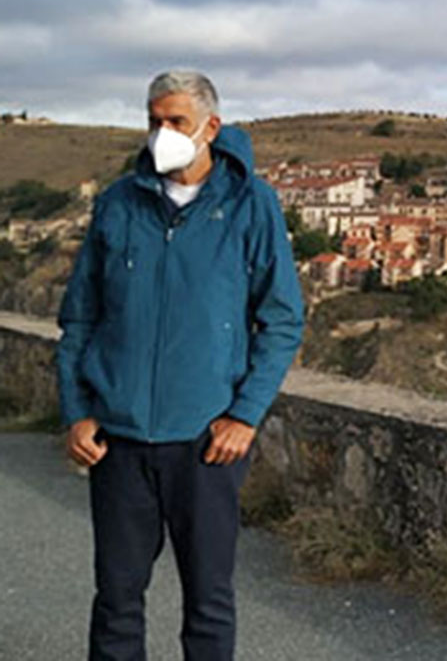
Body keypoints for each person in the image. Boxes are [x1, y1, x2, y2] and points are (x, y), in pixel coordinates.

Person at [55, 70, 305, 660]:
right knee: (116, 600)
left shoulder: (251, 204)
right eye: (154, 121)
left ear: (210, 128)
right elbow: (80, 319)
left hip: (205, 442)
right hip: (118, 441)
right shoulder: (118, 205)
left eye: (176, 122)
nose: (162, 134)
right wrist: (77, 410)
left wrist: (244, 415)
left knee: (209, 603)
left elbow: (282, 319)